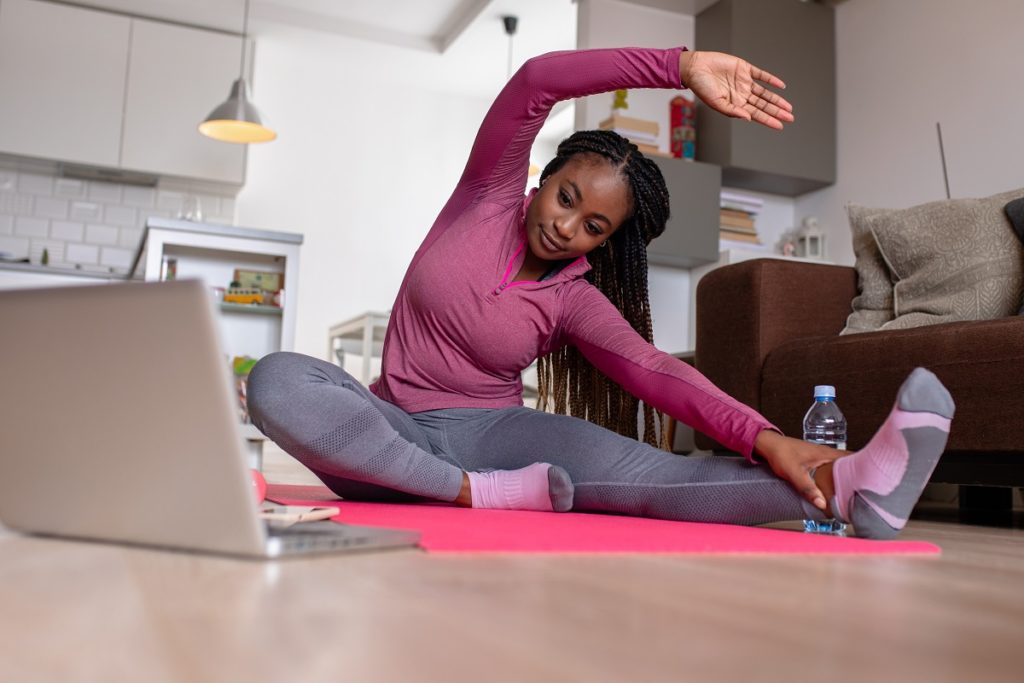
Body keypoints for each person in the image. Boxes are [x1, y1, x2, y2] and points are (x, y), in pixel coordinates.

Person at [247, 47, 955, 540]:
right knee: (278, 379)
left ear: (604, 241)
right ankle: (468, 495)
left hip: (496, 436)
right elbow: (536, 82)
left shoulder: (576, 298)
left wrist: (767, 436)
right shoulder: (484, 198)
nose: (564, 226)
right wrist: (677, 67)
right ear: (541, 177)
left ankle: (854, 487)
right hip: (392, 432)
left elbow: (658, 373)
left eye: (592, 226)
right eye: (564, 197)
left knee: (651, 474)